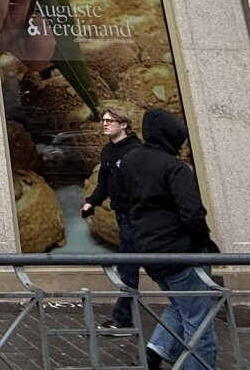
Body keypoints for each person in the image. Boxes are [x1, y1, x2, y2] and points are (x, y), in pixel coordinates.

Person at [116, 109, 220, 370]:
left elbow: (121, 204)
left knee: (180, 304)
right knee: (199, 321)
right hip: (181, 252)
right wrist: (203, 243)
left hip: (150, 251)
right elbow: (193, 213)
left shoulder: (129, 162)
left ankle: (157, 349)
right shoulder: (175, 168)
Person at [80, 104, 143, 330]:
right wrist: (91, 202)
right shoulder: (107, 151)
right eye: (103, 121)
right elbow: (104, 183)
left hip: (138, 216)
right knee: (129, 265)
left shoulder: (136, 151)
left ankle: (123, 319)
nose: (105, 124)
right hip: (122, 215)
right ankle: (124, 318)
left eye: (110, 121)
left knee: (130, 266)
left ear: (123, 124)